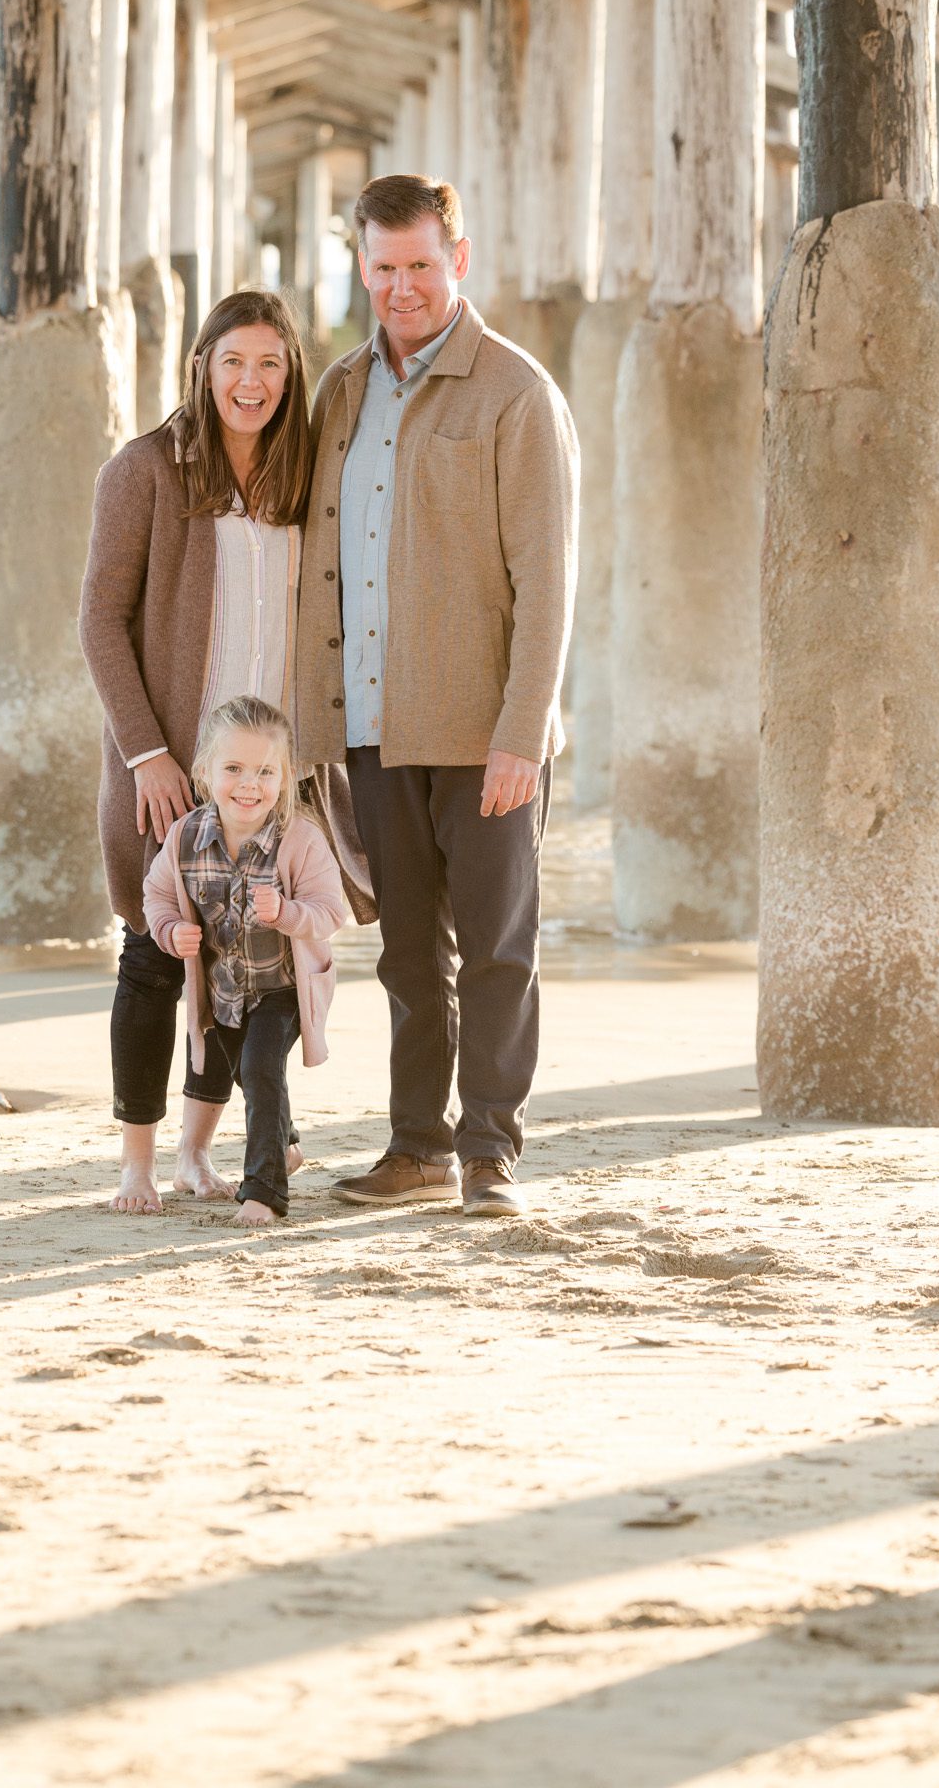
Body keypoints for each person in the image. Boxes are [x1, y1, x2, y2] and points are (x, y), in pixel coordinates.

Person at [295, 175, 580, 1218]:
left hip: (484, 732)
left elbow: (546, 582)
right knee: (411, 955)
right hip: (373, 728)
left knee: (498, 946)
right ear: (360, 267)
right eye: (383, 267)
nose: (402, 286)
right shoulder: (337, 392)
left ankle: (490, 1152)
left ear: (459, 259)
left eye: (421, 264)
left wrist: (522, 732)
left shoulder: (515, 391)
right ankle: (416, 1145)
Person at [80, 288, 368, 1216]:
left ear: (291, 374)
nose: (251, 382)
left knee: (250, 973)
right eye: (233, 361)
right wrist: (146, 754)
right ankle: (134, 1163)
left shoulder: (301, 481)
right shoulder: (145, 472)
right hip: (174, 769)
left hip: (273, 782)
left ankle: (210, 1154)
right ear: (202, 364)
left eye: (271, 364)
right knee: (155, 957)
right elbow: (99, 623)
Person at [144, 696, 345, 1226]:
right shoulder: (185, 836)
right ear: (205, 772)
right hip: (223, 988)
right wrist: (170, 931)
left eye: (264, 771)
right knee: (250, 1075)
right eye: (233, 768)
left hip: (283, 989)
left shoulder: (298, 838)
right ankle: (287, 1144)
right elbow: (156, 894)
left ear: (286, 777)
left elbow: (330, 912)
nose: (248, 784)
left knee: (260, 1067)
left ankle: (264, 1192)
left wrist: (287, 912)